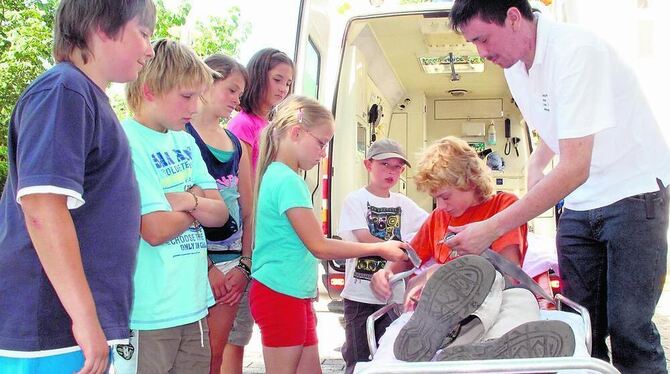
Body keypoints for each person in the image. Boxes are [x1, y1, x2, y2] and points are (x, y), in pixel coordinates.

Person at [447, 1, 670, 371]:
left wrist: (491, 227)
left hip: (634, 194)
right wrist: (536, 160)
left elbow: (574, 168)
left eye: (484, 39)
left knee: (629, 328)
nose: (482, 53)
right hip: (581, 203)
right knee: (579, 325)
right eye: (473, 44)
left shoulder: (576, 52)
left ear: (514, 18)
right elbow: (560, 122)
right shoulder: (515, 68)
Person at [0, 1, 155, 373]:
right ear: (103, 27)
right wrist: (85, 319)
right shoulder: (64, 90)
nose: (150, 49)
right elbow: (42, 208)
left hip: (71, 328)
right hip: (50, 331)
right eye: (144, 33)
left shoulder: (85, 96)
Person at [249, 95, 408, 374]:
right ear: (296, 133)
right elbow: (319, 246)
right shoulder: (287, 180)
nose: (323, 153)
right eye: (321, 143)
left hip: (293, 294)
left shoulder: (282, 176)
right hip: (279, 294)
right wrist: (380, 248)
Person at [111, 39, 229, 374]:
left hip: (193, 305)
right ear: (150, 91)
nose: (194, 107)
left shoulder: (184, 139)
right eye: (187, 96)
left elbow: (221, 215)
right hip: (148, 313)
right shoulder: (126, 141)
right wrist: (197, 204)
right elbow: (154, 229)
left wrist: (185, 201)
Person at [370, 136, 539, 362]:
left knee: (519, 299)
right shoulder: (439, 218)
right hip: (451, 309)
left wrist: (437, 271)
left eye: (445, 197)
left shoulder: (504, 207)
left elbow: (510, 272)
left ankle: (488, 346)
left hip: (496, 295)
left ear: (469, 181)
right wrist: (386, 273)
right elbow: (409, 257)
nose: (440, 206)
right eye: (435, 198)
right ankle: (465, 344)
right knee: (475, 304)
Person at [184, 54, 254, 374]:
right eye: (232, 90)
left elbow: (248, 210)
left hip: (231, 264)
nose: (237, 101)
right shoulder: (181, 138)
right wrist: (206, 266)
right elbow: (181, 206)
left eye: (240, 94)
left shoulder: (239, 146)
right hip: (191, 260)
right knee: (189, 359)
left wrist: (245, 264)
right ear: (208, 82)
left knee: (214, 358)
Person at [338, 138, 428, 373]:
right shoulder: (355, 200)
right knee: (358, 357)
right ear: (368, 165)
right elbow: (363, 237)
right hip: (359, 295)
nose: (392, 171)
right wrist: (395, 246)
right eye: (385, 164)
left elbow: (430, 226)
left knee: (389, 356)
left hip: (393, 295)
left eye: (398, 166)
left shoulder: (404, 203)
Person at [227, 48, 293, 174]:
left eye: (288, 83)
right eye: (277, 80)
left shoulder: (271, 126)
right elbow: (245, 182)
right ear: (258, 77)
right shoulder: (243, 124)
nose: (283, 89)